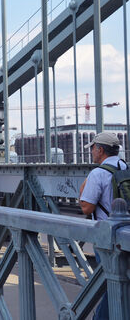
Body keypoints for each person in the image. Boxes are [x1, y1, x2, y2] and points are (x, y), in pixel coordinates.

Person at [79, 132, 126, 320]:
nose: (91, 152)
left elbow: (86, 207)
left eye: (92, 148)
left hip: (107, 237)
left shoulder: (98, 173)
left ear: (100, 149)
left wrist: (82, 190)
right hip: (126, 233)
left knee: (108, 283)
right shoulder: (125, 167)